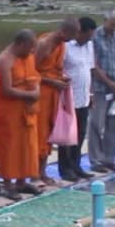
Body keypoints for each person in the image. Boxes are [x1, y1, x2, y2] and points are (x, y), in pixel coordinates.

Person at [0, 30, 42, 201]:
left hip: (27, 111)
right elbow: (6, 90)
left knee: (27, 146)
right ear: (20, 44)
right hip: (10, 112)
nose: (31, 52)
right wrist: (30, 95)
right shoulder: (4, 60)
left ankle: (22, 181)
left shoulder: (28, 57)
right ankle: (8, 184)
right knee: (10, 148)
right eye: (30, 48)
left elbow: (35, 77)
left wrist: (36, 90)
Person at [35, 17, 80, 183]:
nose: (74, 38)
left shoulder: (61, 45)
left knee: (49, 132)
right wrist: (52, 81)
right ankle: (34, 173)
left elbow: (55, 70)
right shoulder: (44, 43)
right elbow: (30, 72)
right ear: (64, 31)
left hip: (54, 95)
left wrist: (62, 78)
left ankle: (42, 171)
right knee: (38, 134)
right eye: (73, 34)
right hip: (40, 95)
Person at [89, 9, 115, 174]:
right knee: (97, 124)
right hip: (100, 88)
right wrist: (111, 84)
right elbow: (93, 65)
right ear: (105, 20)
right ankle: (96, 160)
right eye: (112, 24)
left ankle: (109, 159)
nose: (114, 28)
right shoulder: (95, 37)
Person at [59, 16, 98, 180]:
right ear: (79, 32)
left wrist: (91, 93)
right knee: (67, 135)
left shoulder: (89, 45)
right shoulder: (66, 46)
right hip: (68, 98)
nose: (90, 38)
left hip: (84, 97)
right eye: (88, 35)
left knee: (81, 134)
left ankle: (76, 165)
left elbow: (90, 70)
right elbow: (57, 69)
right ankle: (65, 169)